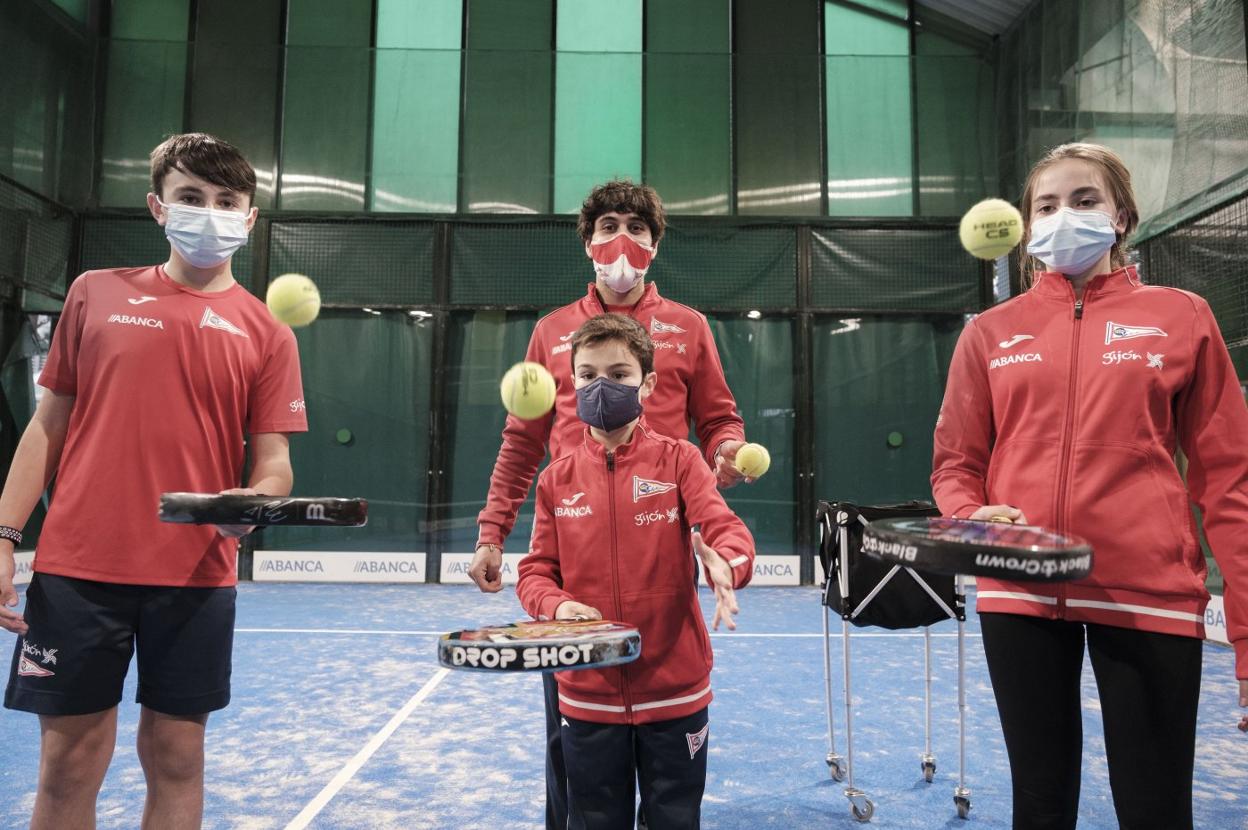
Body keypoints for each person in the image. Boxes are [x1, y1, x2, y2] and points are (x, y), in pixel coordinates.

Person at [932, 142, 1248, 829]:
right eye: (1046, 205)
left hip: (1149, 594)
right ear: (1025, 226)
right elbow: (956, 466)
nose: (1063, 217)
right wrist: (971, 516)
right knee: (1040, 806)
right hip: (1017, 590)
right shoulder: (989, 334)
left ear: (1122, 216)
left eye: (1084, 201)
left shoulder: (1183, 316)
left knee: (1156, 808)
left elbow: (1230, 482)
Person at [0, 133, 307, 829]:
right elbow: (47, 425)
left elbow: (273, 461)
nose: (210, 212)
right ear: (157, 207)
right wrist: (3, 535)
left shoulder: (268, 332)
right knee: (68, 765)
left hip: (195, 575)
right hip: (79, 569)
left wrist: (256, 502)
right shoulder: (94, 293)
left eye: (227, 201)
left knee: (175, 757)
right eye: (191, 197)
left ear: (250, 217)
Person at [470, 179, 754, 828]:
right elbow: (521, 444)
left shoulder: (689, 327)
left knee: (665, 770)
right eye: (607, 227)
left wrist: (729, 452)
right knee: (573, 749)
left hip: (661, 547)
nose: (621, 238)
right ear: (588, 243)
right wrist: (492, 535)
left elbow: (720, 421)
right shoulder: (549, 332)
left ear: (654, 244)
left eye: (636, 227)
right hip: (572, 556)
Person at [517, 313, 754, 830]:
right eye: (587, 375)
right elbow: (535, 572)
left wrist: (726, 565)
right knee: (594, 820)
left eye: (620, 375)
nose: (602, 386)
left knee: (674, 819)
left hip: (677, 690)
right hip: (586, 693)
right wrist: (556, 605)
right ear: (570, 382)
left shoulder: (681, 461)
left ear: (647, 383)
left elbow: (725, 530)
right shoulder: (555, 481)